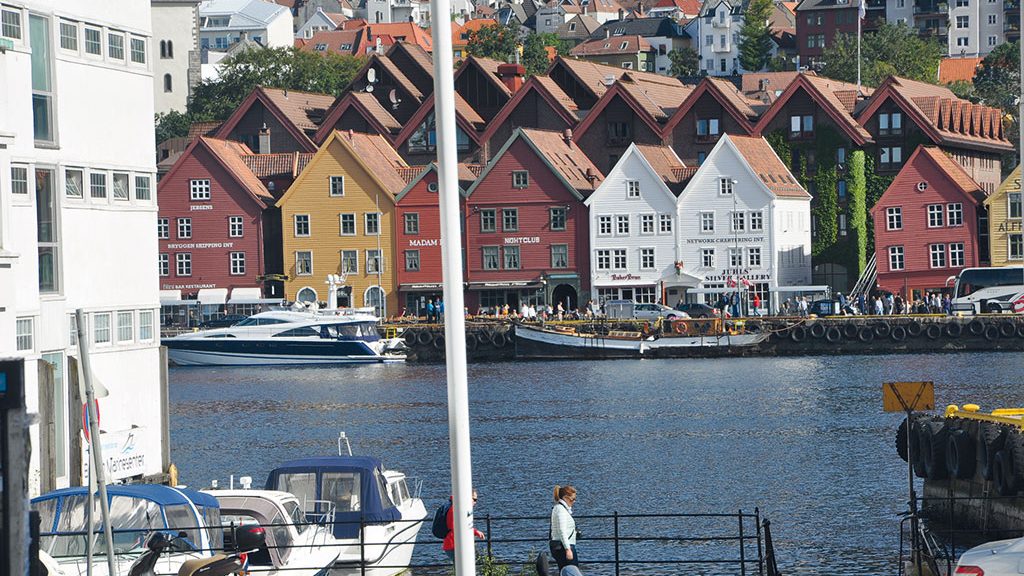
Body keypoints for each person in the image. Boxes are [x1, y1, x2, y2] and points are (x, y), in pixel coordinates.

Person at [442, 490, 484, 562]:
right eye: (474, 499)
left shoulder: (457, 507)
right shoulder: (457, 509)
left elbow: (462, 525)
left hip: (452, 544)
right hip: (454, 545)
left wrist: (475, 532)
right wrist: (475, 532)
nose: (475, 502)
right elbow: (459, 526)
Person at [550, 485, 578, 570]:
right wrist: (567, 549)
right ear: (565, 498)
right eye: (572, 499)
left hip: (563, 545)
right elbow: (562, 531)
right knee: (571, 570)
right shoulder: (560, 510)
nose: (574, 501)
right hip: (564, 547)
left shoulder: (560, 509)